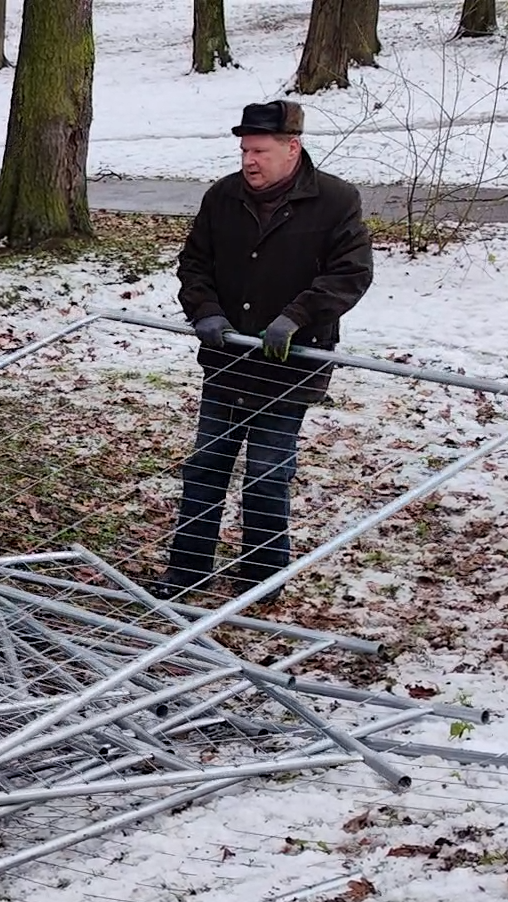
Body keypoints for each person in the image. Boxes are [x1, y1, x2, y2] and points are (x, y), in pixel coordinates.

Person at [158, 100, 374, 604]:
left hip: (290, 365)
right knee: (207, 465)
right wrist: (205, 310)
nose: (249, 161)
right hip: (228, 357)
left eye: (259, 150)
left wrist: (297, 317)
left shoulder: (336, 201)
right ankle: (187, 571)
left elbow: (350, 274)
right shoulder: (223, 196)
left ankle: (262, 580)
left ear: (291, 148)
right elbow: (194, 262)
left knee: (266, 474)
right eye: (243, 150)